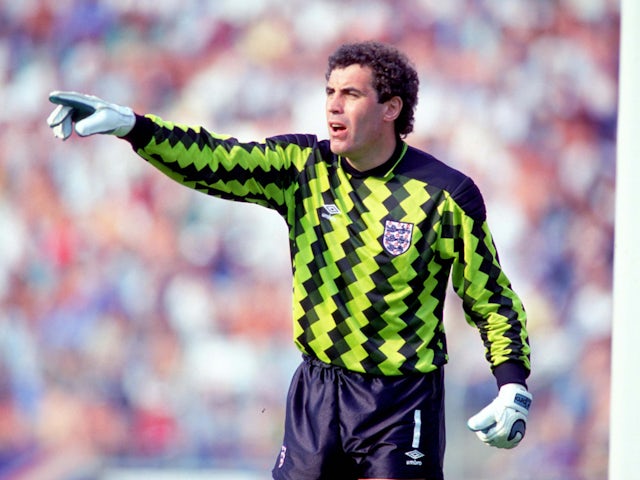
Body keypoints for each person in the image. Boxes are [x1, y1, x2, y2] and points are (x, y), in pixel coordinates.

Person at [47, 41, 531, 480]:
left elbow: (491, 299)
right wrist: (135, 127)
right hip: (317, 392)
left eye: (351, 94)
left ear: (391, 108)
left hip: (400, 400)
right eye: (330, 91)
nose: (333, 105)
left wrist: (512, 385)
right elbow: (215, 160)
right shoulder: (303, 166)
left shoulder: (446, 194)